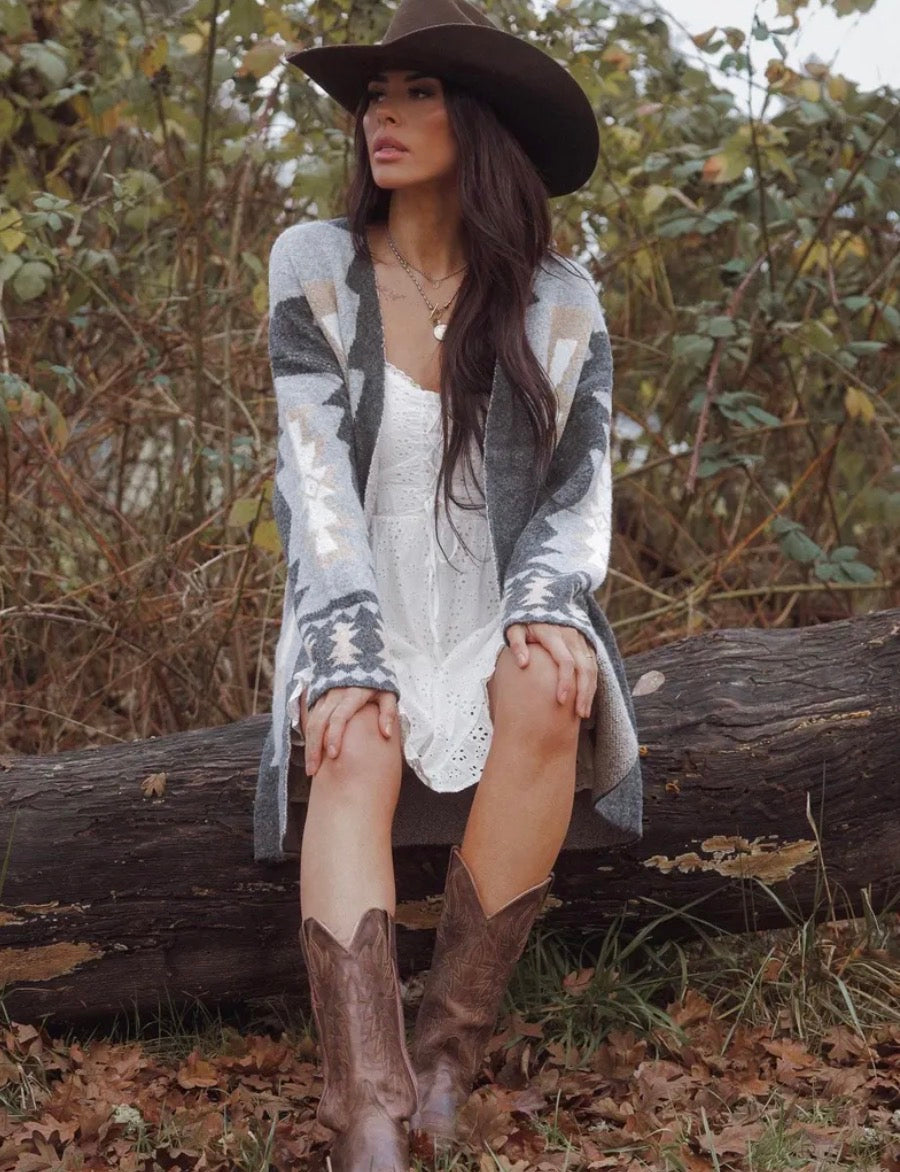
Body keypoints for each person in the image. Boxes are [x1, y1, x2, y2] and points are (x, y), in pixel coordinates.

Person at [253, 1, 644, 1167]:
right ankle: (366, 1108)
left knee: (550, 686)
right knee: (354, 738)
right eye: (377, 95)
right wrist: (345, 644)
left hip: (497, 596)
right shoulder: (314, 264)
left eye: (417, 93)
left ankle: (440, 1061)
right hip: (356, 592)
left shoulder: (559, 296)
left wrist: (551, 605)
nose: (383, 115)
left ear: (479, 121)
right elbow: (312, 478)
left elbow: (581, 487)